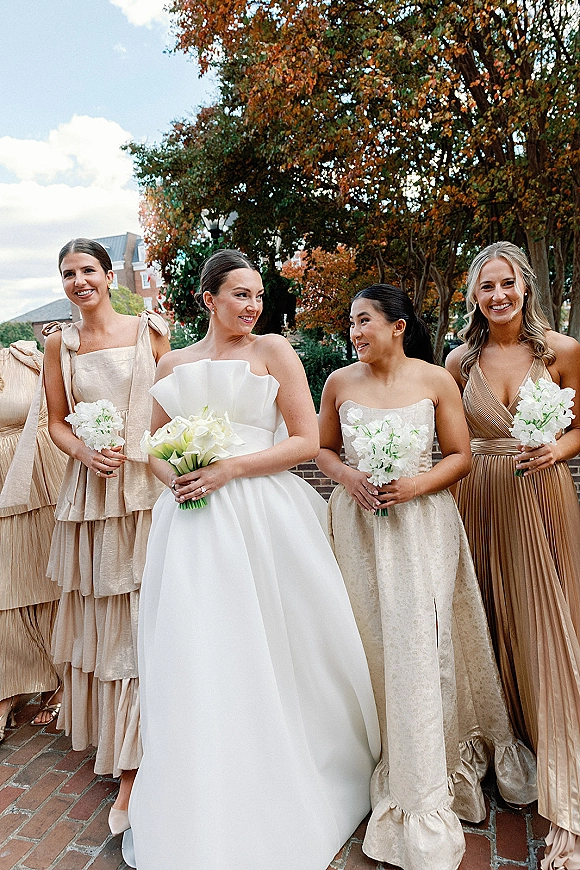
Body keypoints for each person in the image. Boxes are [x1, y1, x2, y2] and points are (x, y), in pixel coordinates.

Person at [125, 249, 380, 870]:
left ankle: (288, 758)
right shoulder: (174, 362)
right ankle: (204, 776)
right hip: (192, 525)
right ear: (207, 300)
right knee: (199, 646)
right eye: (240, 294)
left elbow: (306, 440)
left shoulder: (275, 353)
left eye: (257, 295)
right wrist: (177, 475)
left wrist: (230, 468)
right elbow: (153, 444)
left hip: (263, 514)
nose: (253, 306)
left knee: (272, 637)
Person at [317, 284, 536, 870]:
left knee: (420, 644)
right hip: (358, 533)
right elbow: (324, 451)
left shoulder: (437, 379)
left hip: (420, 531)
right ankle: (367, 755)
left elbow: (460, 456)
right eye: (350, 323)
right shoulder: (339, 383)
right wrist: (350, 479)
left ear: (398, 326)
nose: (354, 332)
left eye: (364, 320)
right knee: (368, 644)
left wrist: (414, 483)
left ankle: (423, 771)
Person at [446, 241, 580, 870]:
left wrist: (560, 450)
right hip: (477, 500)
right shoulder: (457, 360)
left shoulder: (561, 353)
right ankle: (509, 749)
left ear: (525, 286)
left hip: (539, 498)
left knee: (543, 626)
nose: (497, 296)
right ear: (473, 296)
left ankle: (562, 790)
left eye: (507, 284)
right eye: (484, 287)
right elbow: (443, 435)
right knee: (487, 620)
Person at [43, 238, 170, 835]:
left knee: (156, 613)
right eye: (68, 274)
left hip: (147, 492)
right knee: (112, 621)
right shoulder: (57, 344)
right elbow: (55, 422)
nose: (78, 281)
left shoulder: (150, 331)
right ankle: (127, 763)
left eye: (87, 270)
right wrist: (85, 451)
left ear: (109, 273)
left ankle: (161, 745)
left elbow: (171, 411)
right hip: (92, 498)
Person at [0, 339, 67, 740]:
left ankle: (60, 678)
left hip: (42, 481)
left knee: (52, 581)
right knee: (6, 591)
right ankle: (7, 689)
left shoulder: (23, 355)